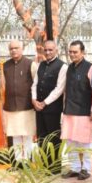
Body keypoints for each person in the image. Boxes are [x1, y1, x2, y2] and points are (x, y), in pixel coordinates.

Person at [61, 40, 92, 180]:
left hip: (84, 111)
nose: (72, 54)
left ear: (83, 52)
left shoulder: (90, 67)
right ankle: (75, 168)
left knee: (85, 141)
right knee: (70, 141)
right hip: (69, 110)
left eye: (75, 52)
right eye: (70, 52)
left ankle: (86, 169)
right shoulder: (69, 67)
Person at [31, 40, 67, 172]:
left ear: (56, 50)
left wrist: (44, 102)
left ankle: (55, 167)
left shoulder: (63, 66)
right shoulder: (40, 65)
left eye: (50, 50)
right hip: (38, 108)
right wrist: (34, 100)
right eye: (45, 50)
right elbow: (35, 84)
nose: (48, 52)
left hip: (52, 108)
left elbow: (59, 89)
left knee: (54, 137)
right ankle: (44, 165)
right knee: (42, 137)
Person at [1, 40, 37, 163]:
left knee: (27, 135)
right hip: (11, 107)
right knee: (15, 135)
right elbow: (2, 86)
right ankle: (17, 162)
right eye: (11, 49)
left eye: (16, 48)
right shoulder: (5, 66)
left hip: (27, 106)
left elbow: (36, 84)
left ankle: (27, 161)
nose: (14, 50)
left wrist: (35, 101)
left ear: (22, 49)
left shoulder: (30, 64)